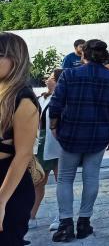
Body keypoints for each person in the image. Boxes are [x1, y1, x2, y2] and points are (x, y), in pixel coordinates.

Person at [49, 39, 109, 242]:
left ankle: (65, 224)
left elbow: (56, 103)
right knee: (91, 178)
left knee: (65, 178)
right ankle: (84, 222)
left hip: (71, 132)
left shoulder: (69, 74)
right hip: (99, 133)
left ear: (84, 54)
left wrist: (53, 125)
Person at [0, 33, 40, 246]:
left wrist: (0, 201)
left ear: (14, 59)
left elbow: (23, 155)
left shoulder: (23, 99)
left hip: (9, 186)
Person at [32, 69, 61, 235]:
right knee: (37, 181)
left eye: (50, 78)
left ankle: (61, 216)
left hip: (58, 144)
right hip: (41, 144)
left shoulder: (63, 99)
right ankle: (30, 215)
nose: (47, 80)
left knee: (61, 181)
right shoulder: (41, 98)